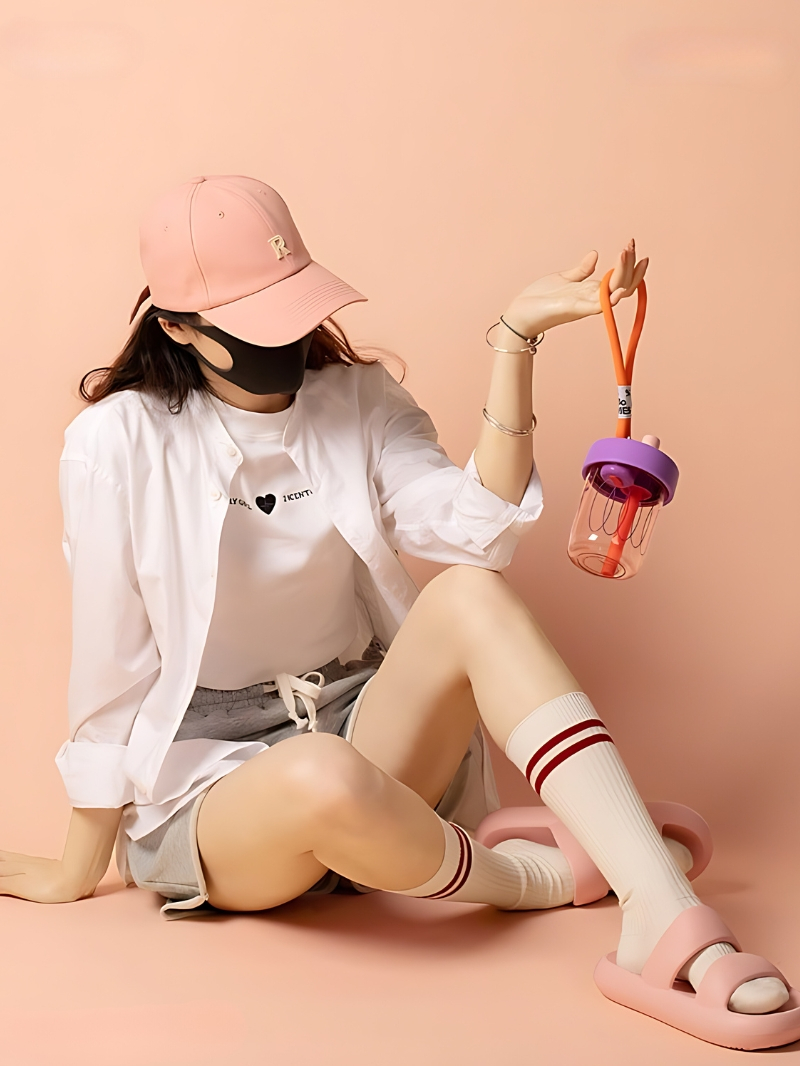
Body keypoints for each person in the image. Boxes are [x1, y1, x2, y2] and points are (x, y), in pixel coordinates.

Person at [1, 175, 796, 1051]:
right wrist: (79, 865)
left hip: (363, 728)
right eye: (256, 322)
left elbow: (478, 533)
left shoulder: (357, 400)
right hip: (215, 789)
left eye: (292, 309)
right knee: (318, 775)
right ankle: (535, 878)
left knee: (468, 594)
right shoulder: (115, 443)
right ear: (179, 329)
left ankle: (663, 911)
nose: (288, 338)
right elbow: (112, 664)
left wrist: (515, 343)